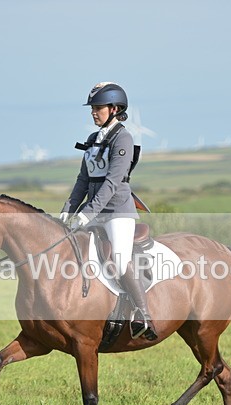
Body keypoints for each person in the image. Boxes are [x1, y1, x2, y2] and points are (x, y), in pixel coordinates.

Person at [59, 82, 157, 341]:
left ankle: (143, 314)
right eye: (92, 108)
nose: (93, 112)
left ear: (114, 109)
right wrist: (67, 210)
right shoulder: (93, 139)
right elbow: (83, 180)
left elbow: (112, 183)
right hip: (93, 211)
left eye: (98, 108)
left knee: (119, 259)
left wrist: (87, 213)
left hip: (117, 212)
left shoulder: (122, 138)